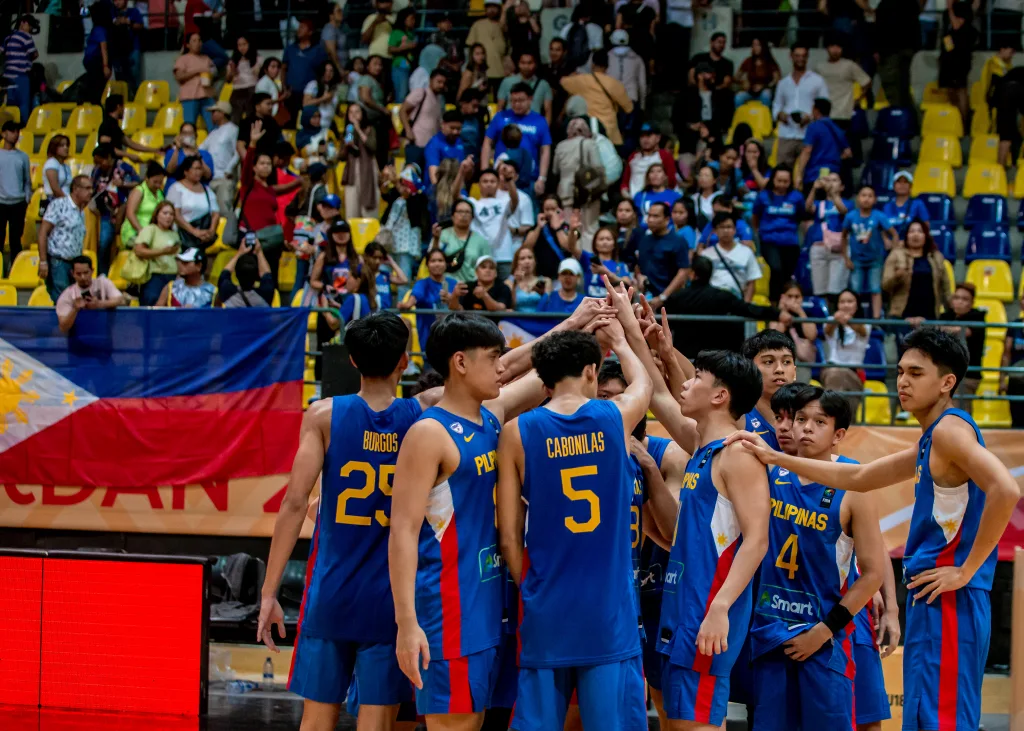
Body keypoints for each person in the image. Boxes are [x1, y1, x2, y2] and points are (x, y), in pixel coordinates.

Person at [728, 327, 1020, 731]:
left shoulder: (951, 431)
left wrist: (966, 570)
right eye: (900, 371)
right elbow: (860, 476)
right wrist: (776, 456)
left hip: (951, 593)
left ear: (947, 382)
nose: (902, 381)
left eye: (916, 373)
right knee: (925, 717)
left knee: (944, 719)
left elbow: (1006, 489)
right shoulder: (931, 437)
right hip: (931, 593)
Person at [387, 305, 598, 724]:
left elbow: (547, 376)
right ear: (460, 363)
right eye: (493, 358)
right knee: (455, 723)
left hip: (487, 601)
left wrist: (581, 325)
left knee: (478, 720)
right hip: (448, 608)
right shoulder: (429, 433)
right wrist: (406, 623)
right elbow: (402, 533)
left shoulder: (490, 414)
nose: (503, 367)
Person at [258, 312, 444, 731]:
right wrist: (572, 325)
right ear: (404, 361)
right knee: (376, 723)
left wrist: (269, 593)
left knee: (316, 720)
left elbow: (292, 505)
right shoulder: (425, 413)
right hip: (392, 597)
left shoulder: (323, 415)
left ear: (353, 360)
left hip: (332, 590)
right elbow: (502, 371)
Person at [496, 322, 654, 730]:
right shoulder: (613, 417)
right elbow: (644, 384)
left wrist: (528, 584)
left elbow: (509, 535)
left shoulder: (515, 432)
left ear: (543, 379)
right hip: (607, 608)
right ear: (591, 371)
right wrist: (620, 339)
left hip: (545, 601)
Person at [749, 386, 886, 731]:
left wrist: (824, 631)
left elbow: (873, 574)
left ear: (838, 434)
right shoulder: (766, 473)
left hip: (823, 636)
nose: (806, 427)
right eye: (800, 419)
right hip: (770, 632)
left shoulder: (855, 485)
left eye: (819, 421)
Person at [662, 255, 785, 358]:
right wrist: (777, 313)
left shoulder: (676, 298)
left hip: (684, 356)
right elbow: (748, 309)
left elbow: (665, 324)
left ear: (692, 274)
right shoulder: (722, 296)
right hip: (714, 358)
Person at [482, 82, 553, 196]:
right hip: (501, 179)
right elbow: (487, 143)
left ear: (530, 99)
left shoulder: (540, 121)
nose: (516, 104)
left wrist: (542, 178)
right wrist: (485, 172)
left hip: (528, 179)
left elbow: (545, 150)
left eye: (520, 100)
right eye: (513, 101)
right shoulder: (500, 117)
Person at [883, 218, 950, 333]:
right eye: (912, 231)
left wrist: (950, 310)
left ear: (926, 235)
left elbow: (945, 287)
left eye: (920, 231)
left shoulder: (936, 256)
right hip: (902, 316)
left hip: (930, 317)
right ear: (906, 236)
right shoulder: (896, 255)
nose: (916, 235)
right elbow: (885, 285)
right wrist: (897, 277)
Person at [843, 186, 898, 318]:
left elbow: (894, 234)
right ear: (858, 198)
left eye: (870, 196)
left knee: (875, 289)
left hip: (875, 259)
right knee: (855, 291)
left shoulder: (879, 216)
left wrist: (893, 255)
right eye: (863, 195)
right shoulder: (850, 217)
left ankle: (876, 319)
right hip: (856, 259)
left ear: (875, 199)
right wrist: (846, 258)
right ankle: (855, 318)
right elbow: (843, 237)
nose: (866, 199)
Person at [560, 50, 634, 147]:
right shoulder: (615, 84)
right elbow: (629, 108)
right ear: (607, 66)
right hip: (609, 132)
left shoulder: (582, 80)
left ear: (592, 64)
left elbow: (563, 82)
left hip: (588, 129)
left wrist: (573, 75)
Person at [753, 166, 805, 302]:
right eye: (779, 180)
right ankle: (774, 302)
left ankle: (786, 304)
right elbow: (755, 216)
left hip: (790, 242)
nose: (782, 184)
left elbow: (800, 216)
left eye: (785, 181)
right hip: (769, 240)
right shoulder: (763, 196)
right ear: (773, 180)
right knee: (775, 269)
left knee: (788, 275)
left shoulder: (797, 197)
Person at [772, 46, 829, 168]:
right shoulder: (783, 83)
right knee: (782, 171)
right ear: (791, 56)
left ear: (807, 57)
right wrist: (780, 115)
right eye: (797, 55)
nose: (800, 59)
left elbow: (825, 106)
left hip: (809, 134)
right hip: (787, 134)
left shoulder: (817, 80)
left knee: (809, 171)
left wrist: (810, 117)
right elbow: (776, 105)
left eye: (803, 56)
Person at [742, 329, 799, 451]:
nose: (779, 369)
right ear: (749, 370)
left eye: (786, 362)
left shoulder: (814, 418)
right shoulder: (738, 417)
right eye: (769, 361)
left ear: (794, 372)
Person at [90, 143, 140, 277]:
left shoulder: (124, 168)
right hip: (105, 212)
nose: (98, 165)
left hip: (125, 211)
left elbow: (138, 182)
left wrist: (123, 184)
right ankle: (102, 274)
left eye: (100, 161)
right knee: (104, 242)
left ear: (108, 158)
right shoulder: (96, 171)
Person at [38, 175, 92, 301]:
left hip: (74, 265)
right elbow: (43, 232)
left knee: (72, 301)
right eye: (87, 188)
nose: (91, 192)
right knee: (63, 301)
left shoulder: (81, 211)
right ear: (76, 189)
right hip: (59, 262)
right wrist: (43, 261)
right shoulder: (59, 205)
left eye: (91, 188)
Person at [399, 247, 460, 354]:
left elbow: (461, 309)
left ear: (446, 264)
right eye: (433, 261)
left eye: (440, 260)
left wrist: (452, 299)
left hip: (452, 341)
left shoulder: (454, 283)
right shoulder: (422, 284)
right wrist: (406, 305)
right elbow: (413, 299)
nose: (437, 264)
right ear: (427, 265)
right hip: (428, 341)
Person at [635, 202, 690, 309]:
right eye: (649, 215)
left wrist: (663, 297)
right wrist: (639, 276)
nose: (650, 219)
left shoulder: (678, 241)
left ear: (667, 219)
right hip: (647, 298)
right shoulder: (644, 239)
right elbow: (638, 265)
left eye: (655, 216)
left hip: (671, 300)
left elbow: (683, 271)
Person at [699, 213, 763, 301]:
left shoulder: (746, 253)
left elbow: (751, 283)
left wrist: (745, 306)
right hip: (711, 301)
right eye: (721, 227)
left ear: (735, 230)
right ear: (715, 231)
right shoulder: (706, 254)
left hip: (737, 301)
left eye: (729, 227)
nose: (725, 231)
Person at [942, 283, 987, 408]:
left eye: (964, 299)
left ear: (972, 303)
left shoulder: (978, 317)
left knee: (959, 416)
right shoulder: (946, 316)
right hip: (945, 374)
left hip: (967, 376)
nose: (959, 302)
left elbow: (963, 331)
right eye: (956, 298)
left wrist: (940, 329)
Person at [674, 63, 733, 157]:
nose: (713, 75)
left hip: (713, 141)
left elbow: (724, 120)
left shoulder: (719, 96)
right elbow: (677, 119)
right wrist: (692, 126)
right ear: (700, 76)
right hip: (690, 143)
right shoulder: (686, 96)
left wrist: (710, 131)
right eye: (709, 73)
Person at [815, 36, 871, 134]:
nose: (835, 50)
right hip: (824, 115)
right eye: (832, 46)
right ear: (827, 48)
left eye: (838, 47)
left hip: (844, 115)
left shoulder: (849, 65)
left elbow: (866, 82)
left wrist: (858, 100)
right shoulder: (819, 67)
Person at [200, 101, 239, 240]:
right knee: (212, 211)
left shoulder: (233, 129)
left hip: (225, 177)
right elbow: (200, 150)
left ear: (222, 113)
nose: (212, 115)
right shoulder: (213, 133)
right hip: (211, 178)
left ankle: (228, 239)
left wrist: (229, 169)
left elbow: (238, 152)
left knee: (224, 209)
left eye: (214, 112)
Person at [129, 200, 180, 306]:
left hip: (173, 277)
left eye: (171, 214)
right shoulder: (150, 230)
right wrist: (163, 251)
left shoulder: (175, 235)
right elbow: (139, 250)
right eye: (165, 213)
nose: (168, 217)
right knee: (152, 304)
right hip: (155, 276)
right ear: (157, 215)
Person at [56, 255, 124, 333]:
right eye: (78, 274)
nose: (83, 277)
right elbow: (63, 328)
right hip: (77, 339)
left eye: (86, 272)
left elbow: (120, 299)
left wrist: (99, 304)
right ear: (72, 273)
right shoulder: (67, 295)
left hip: (104, 335)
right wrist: (75, 309)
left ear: (92, 271)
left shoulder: (103, 282)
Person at [794, 98, 851, 192]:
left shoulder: (813, 127)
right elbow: (848, 153)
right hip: (834, 175)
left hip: (814, 174)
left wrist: (799, 174)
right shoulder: (837, 128)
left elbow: (807, 150)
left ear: (816, 110)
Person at [874, 0, 920, 111]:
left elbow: (879, 28)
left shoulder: (885, 5)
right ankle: (909, 119)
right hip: (907, 49)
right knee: (903, 87)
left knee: (892, 87)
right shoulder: (911, 3)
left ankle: (899, 116)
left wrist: (877, 49)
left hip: (890, 51)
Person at [167, 155, 219, 251]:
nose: (198, 172)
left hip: (203, 237)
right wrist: (194, 231)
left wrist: (211, 231)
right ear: (186, 171)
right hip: (182, 236)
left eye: (200, 169)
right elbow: (176, 215)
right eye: (195, 169)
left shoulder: (207, 190)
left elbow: (215, 213)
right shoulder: (176, 188)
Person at [399, 69, 447, 171]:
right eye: (438, 82)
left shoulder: (439, 100)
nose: (441, 85)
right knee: (411, 177)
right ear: (430, 80)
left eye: (443, 83)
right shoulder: (421, 92)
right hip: (416, 142)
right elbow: (402, 110)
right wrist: (408, 130)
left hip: (431, 145)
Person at [282, 19, 328, 125]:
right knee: (290, 123)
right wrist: (284, 88)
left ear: (310, 32)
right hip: (291, 94)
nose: (299, 30)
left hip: (310, 94)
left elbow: (324, 70)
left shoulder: (318, 50)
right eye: (298, 27)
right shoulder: (290, 49)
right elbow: (283, 69)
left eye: (302, 27)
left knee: (308, 122)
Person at [0, 119, 31, 273]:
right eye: (12, 131)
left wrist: (26, 198)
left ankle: (15, 270)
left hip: (18, 203)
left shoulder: (23, 156)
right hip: (1, 202)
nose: (15, 134)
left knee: (15, 240)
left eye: (17, 131)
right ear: (3, 134)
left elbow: (27, 180)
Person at [339, 104, 379, 220]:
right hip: (352, 172)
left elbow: (372, 146)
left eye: (357, 112)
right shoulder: (348, 131)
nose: (354, 115)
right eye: (351, 112)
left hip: (367, 171)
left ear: (363, 114)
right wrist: (346, 146)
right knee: (351, 210)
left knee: (368, 209)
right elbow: (341, 157)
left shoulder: (370, 129)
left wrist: (358, 129)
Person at [939, 2, 975, 125]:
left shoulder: (966, 28)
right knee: (950, 91)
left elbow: (957, 26)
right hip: (949, 62)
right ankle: (955, 121)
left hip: (960, 62)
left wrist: (950, 8)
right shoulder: (949, 27)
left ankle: (964, 122)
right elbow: (948, 42)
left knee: (961, 90)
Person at [621, 123, 677, 200]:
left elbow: (671, 181)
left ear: (658, 138)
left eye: (648, 136)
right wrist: (627, 197)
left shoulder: (665, 156)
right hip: (633, 200)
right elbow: (625, 182)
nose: (645, 139)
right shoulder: (633, 157)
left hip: (658, 201)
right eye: (642, 136)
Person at [466, 0, 509, 97]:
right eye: (489, 7)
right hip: (481, 73)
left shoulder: (503, 26)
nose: (492, 10)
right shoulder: (477, 25)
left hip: (500, 73)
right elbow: (470, 49)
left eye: (494, 7)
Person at [497, 51, 553, 125]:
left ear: (535, 64)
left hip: (533, 127)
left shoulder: (544, 85)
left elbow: (548, 111)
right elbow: (500, 107)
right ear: (518, 64)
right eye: (523, 63)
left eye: (530, 63)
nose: (526, 66)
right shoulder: (507, 82)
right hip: (510, 127)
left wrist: (543, 130)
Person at [218, 235, 274, 307]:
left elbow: (224, 274)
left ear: (236, 274)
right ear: (257, 275)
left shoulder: (227, 292)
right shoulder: (265, 294)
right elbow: (267, 275)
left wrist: (239, 252)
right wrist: (259, 252)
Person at [174, 33, 215, 130]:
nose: (198, 43)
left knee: (213, 125)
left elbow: (213, 73)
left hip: (207, 95)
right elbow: (179, 77)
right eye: (194, 41)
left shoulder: (207, 59)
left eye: (199, 40)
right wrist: (197, 71)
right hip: (190, 97)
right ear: (188, 45)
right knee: (189, 126)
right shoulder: (183, 59)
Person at [2, 15, 38, 125]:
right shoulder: (25, 37)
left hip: (7, 77)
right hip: (20, 76)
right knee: (23, 104)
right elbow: (35, 54)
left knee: (10, 105)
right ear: (23, 23)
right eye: (30, 25)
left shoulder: (8, 37)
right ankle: (23, 128)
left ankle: (9, 127)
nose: (31, 29)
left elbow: (1, 51)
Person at [358, 56, 392, 171]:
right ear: (367, 66)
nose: (378, 67)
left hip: (378, 122)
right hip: (370, 122)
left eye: (380, 65)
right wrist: (382, 109)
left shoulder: (377, 81)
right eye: (375, 64)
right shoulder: (366, 79)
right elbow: (365, 98)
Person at [121, 161, 166, 246]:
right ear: (147, 178)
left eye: (160, 182)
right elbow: (130, 213)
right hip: (134, 232)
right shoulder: (139, 191)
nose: (157, 185)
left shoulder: (160, 194)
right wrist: (141, 231)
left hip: (153, 234)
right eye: (155, 182)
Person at [579, 226, 631, 297]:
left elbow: (628, 284)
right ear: (595, 244)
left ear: (614, 244)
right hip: (590, 304)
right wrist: (572, 230)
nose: (605, 242)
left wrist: (607, 273)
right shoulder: (588, 258)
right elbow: (571, 247)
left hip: (611, 305)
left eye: (608, 239)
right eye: (601, 239)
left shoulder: (620, 265)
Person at [607, 29, 646, 122]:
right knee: (629, 132)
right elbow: (642, 84)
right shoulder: (637, 59)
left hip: (611, 98)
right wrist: (642, 105)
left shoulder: (607, 57)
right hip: (630, 98)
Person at [225, 35, 262, 126]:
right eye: (239, 45)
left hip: (252, 89)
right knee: (235, 118)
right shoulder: (233, 61)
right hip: (238, 90)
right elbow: (228, 80)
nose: (242, 47)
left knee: (251, 116)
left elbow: (258, 75)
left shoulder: (258, 59)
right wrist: (232, 71)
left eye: (244, 44)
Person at [882, 171, 930, 240]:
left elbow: (926, 227)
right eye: (899, 182)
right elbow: (884, 229)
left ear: (910, 186)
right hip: (893, 245)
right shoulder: (887, 206)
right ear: (894, 186)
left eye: (905, 182)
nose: (902, 185)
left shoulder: (918, 204)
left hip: (912, 244)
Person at [734, 37, 780, 107]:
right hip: (750, 91)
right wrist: (743, 82)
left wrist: (764, 86)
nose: (755, 47)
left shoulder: (770, 62)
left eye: (758, 45)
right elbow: (735, 78)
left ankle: (763, 117)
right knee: (738, 97)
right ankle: (741, 117)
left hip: (765, 90)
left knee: (766, 95)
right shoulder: (748, 61)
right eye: (753, 45)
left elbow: (776, 80)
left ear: (763, 46)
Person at [424, 111, 466, 186]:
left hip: (457, 187)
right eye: (452, 128)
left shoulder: (460, 142)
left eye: (458, 129)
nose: (455, 132)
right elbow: (434, 177)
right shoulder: (434, 144)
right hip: (438, 189)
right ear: (443, 125)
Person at [164, 122, 213, 186]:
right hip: (175, 188)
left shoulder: (205, 154)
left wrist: (197, 153)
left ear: (195, 135)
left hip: (197, 190)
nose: (187, 136)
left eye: (190, 133)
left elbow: (208, 175)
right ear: (180, 135)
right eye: (184, 133)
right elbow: (170, 171)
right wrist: (177, 149)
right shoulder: (171, 152)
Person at [387, 7, 418, 103]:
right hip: (399, 67)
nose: (413, 21)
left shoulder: (411, 34)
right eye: (411, 19)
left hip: (409, 67)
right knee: (401, 95)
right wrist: (406, 47)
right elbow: (390, 49)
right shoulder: (396, 32)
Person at [505, 245, 549, 311]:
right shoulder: (509, 282)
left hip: (539, 319)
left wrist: (542, 294)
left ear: (534, 261)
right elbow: (510, 306)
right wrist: (515, 284)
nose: (527, 261)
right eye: (522, 258)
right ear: (516, 262)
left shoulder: (546, 281)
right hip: (516, 320)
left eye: (530, 257)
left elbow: (548, 305)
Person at [302, 61, 341, 133]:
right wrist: (323, 98)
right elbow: (305, 104)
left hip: (329, 125)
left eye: (331, 71)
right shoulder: (313, 84)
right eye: (325, 70)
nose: (328, 73)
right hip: (315, 126)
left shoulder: (335, 88)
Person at [360, 0, 396, 73]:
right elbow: (364, 40)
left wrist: (388, 21)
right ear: (377, 4)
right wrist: (375, 22)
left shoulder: (396, 18)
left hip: (392, 58)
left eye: (387, 2)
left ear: (391, 3)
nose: (385, 5)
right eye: (382, 2)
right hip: (375, 57)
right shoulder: (370, 18)